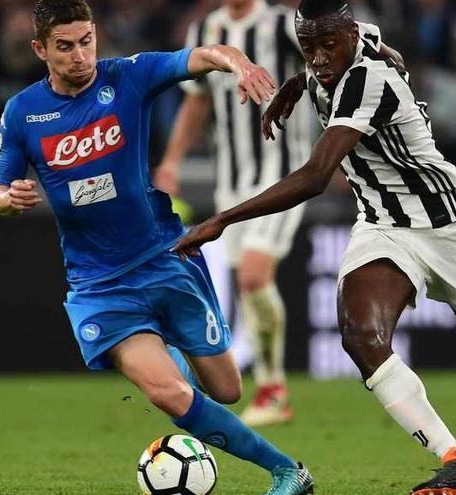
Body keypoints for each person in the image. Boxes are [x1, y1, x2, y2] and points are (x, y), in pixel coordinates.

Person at [173, 1, 456, 494]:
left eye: (327, 46)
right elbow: (354, 49)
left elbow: (317, 176)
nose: (317, 58)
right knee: (361, 335)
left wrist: (222, 220)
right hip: (384, 225)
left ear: (347, 34)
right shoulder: (346, 42)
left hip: (451, 225)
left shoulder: (369, 80)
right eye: (308, 48)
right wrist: (295, 86)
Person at [0, 2, 313, 494]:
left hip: (165, 259)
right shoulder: (22, 113)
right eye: (64, 46)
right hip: (99, 284)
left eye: (86, 41)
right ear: (40, 49)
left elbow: (204, 54)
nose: (80, 56)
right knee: (169, 392)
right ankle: (288, 471)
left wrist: (239, 64)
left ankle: (176, 360)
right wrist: (8, 199)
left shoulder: (127, 77)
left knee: (226, 389)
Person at [155, 0, 313, 427]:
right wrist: (171, 162)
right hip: (232, 185)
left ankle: (273, 390)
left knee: (252, 276)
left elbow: (329, 71)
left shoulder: (282, 25)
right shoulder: (206, 27)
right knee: (248, 282)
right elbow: (196, 102)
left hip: (284, 177)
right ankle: (272, 388)